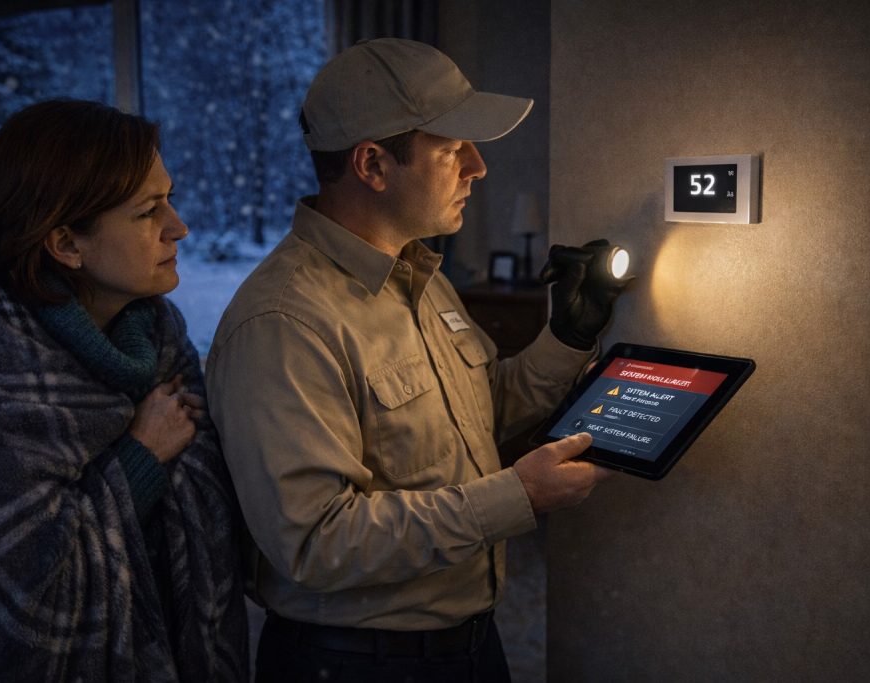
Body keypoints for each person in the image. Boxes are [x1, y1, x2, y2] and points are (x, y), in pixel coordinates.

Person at [206, 39, 623, 682]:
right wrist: (515, 496)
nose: (478, 167)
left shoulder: (418, 276)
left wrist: (568, 334)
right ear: (373, 164)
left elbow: (480, 414)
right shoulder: (283, 323)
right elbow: (315, 541)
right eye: (453, 149)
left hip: (470, 644)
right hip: (356, 665)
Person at [0, 99, 248, 680]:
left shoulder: (159, 337)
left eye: (169, 198)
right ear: (67, 245)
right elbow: (9, 622)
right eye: (148, 211)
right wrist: (140, 458)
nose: (179, 227)